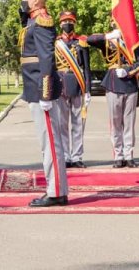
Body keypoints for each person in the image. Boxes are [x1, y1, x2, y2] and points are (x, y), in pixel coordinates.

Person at [18, 0, 68, 207]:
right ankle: (56, 189)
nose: (24, 0)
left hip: (41, 89)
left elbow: (47, 59)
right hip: (34, 88)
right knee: (47, 142)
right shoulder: (33, 22)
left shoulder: (42, 22)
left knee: (50, 143)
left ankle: (56, 192)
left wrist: (46, 94)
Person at [87, 19, 139, 168]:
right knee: (115, 123)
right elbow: (89, 40)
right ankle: (118, 155)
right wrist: (109, 36)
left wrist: (128, 71)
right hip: (113, 83)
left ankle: (129, 155)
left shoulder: (134, 42)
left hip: (130, 84)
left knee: (129, 124)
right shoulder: (108, 41)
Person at [54, 10, 92, 169]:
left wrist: (88, 90)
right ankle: (65, 156)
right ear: (60, 24)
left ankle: (76, 156)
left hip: (77, 84)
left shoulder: (81, 42)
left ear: (74, 23)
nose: (67, 24)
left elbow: (87, 68)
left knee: (77, 123)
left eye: (70, 21)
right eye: (64, 21)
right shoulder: (55, 43)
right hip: (61, 85)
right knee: (62, 123)